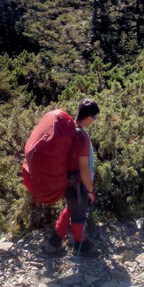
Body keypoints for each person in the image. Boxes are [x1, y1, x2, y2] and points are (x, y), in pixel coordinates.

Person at [46, 99, 100, 256]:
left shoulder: (68, 130)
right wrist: (90, 190)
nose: (93, 121)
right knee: (79, 214)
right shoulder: (82, 137)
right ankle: (80, 245)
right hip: (77, 185)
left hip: (64, 181)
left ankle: (54, 242)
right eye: (94, 118)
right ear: (89, 117)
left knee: (71, 207)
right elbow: (84, 170)